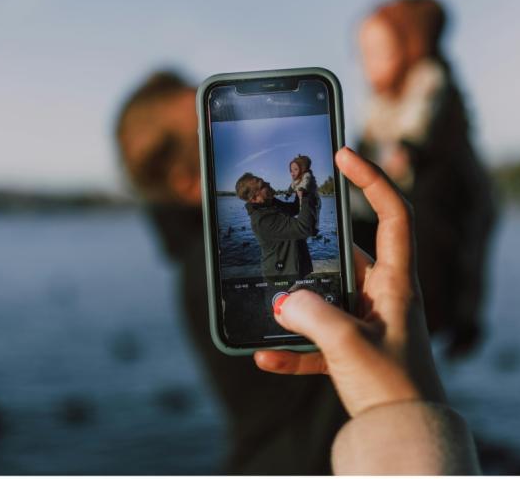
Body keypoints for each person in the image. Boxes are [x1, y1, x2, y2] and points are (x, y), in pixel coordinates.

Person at [115, 71, 348, 474]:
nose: (245, 125)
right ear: (186, 180)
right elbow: (430, 292)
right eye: (217, 125)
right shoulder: (208, 268)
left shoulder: (206, 252)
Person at [255, 147, 481, 474]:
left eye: (293, 168)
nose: (289, 173)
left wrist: (392, 408)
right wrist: (411, 400)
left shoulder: (308, 187)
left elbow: (303, 220)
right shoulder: (300, 188)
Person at [354, 0, 497, 359]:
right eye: (363, 54)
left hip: (456, 200)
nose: (368, 65)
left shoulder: (429, 81)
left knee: (455, 268)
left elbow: (419, 130)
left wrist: (405, 150)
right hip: (414, 192)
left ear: (411, 46)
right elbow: (369, 139)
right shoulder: (381, 100)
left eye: (379, 52)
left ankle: (452, 322)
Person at [235, 172, 316, 279]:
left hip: (296, 270)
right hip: (282, 278)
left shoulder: (270, 203)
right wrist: (306, 194)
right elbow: (305, 228)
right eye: (262, 185)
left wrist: (299, 188)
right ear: (254, 198)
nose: (268, 183)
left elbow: (294, 208)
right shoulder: (262, 220)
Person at [288, 154, 321, 233]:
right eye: (291, 171)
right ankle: (304, 225)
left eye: (295, 169)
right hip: (302, 198)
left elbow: (306, 182)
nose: (292, 173)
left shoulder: (307, 175)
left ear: (302, 168)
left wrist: (302, 188)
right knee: (301, 210)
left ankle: (314, 227)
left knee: (314, 214)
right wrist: (288, 193)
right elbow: (292, 186)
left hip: (313, 200)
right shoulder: (296, 179)